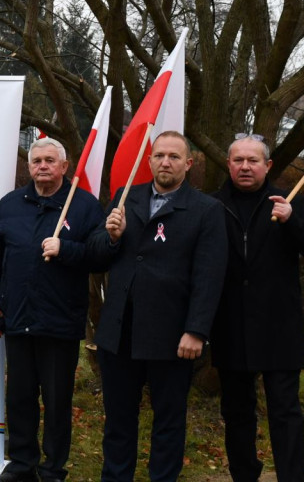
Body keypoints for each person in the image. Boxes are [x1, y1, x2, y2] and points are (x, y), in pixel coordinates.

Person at [89, 131, 227, 482]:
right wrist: (111, 237)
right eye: (159, 155)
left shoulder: (206, 210)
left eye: (174, 157)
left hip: (172, 336)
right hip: (120, 331)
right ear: (149, 160)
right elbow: (97, 254)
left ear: (188, 163)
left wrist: (196, 330)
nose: (166, 162)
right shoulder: (125, 198)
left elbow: (209, 277)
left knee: (168, 421)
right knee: (119, 420)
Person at [0, 137, 108, 482]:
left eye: (51, 160)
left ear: (64, 167)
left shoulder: (84, 206)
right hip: (16, 320)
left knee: (57, 401)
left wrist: (66, 249)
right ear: (30, 166)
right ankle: (21, 464)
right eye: (37, 161)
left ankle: (52, 469)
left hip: (60, 322)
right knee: (19, 398)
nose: (43, 166)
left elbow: (101, 256)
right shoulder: (10, 204)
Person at [210, 135, 304, 481]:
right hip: (230, 326)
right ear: (228, 164)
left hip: (280, 328)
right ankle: (244, 475)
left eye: (253, 160)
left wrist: (293, 219)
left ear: (268, 166)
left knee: (285, 412)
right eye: (238, 160)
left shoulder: (291, 202)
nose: (245, 166)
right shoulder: (212, 205)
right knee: (236, 413)